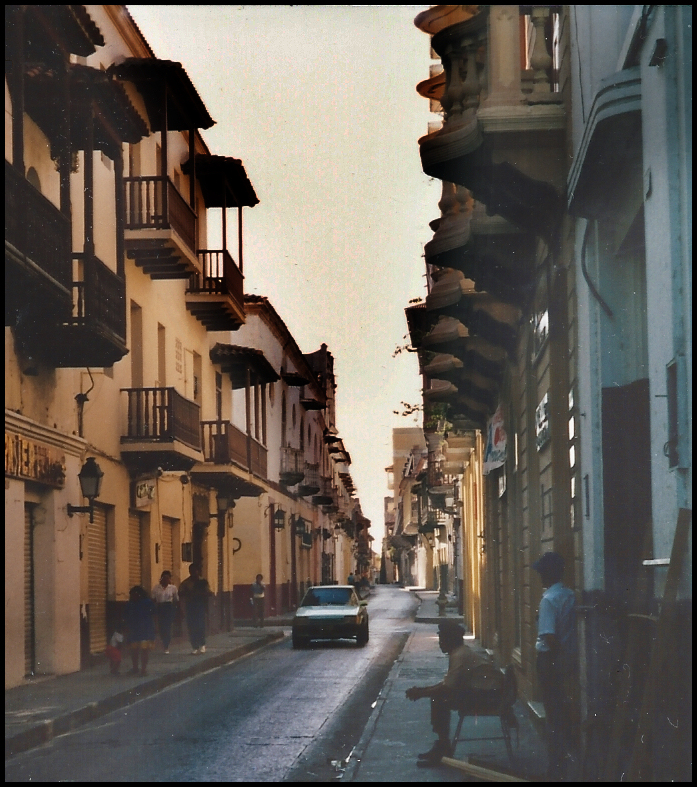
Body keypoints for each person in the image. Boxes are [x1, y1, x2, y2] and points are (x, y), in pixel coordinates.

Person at [406, 619, 505, 767]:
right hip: (487, 692)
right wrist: (423, 691)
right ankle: (442, 744)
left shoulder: (460, 656)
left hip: (491, 696)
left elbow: (447, 688)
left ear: (449, 640)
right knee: (439, 697)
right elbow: (448, 684)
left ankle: (443, 747)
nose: (440, 643)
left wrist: (421, 693)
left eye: (442, 640)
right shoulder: (460, 652)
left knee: (440, 699)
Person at [533, 551, 577, 781]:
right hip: (566, 658)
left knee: (553, 714)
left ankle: (555, 767)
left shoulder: (548, 599)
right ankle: (563, 760)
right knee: (561, 710)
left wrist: (556, 656)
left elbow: (549, 636)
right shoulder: (569, 595)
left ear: (545, 575)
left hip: (550, 660)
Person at [178, 564, 213, 654]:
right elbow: (180, 593)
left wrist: (201, 593)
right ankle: (194, 646)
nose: (193, 573)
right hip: (190, 606)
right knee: (191, 627)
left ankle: (202, 645)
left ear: (198, 571)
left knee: (200, 626)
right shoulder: (186, 583)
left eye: (195, 570)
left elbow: (209, 592)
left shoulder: (203, 582)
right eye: (191, 571)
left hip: (200, 605)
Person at [124, 585, 156, 676]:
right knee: (134, 650)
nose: (133, 597)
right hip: (134, 630)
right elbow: (126, 616)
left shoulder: (147, 602)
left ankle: (143, 669)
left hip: (145, 630)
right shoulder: (130, 604)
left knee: (144, 650)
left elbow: (154, 614)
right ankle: (135, 668)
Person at [152, 570, 179, 653]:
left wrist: (175, 610)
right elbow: (153, 599)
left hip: (168, 607)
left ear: (170, 579)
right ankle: (163, 641)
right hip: (160, 607)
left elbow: (176, 600)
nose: (166, 580)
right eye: (164, 578)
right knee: (161, 627)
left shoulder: (173, 588)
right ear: (161, 578)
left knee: (167, 626)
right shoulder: (156, 588)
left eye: (168, 578)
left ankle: (166, 645)